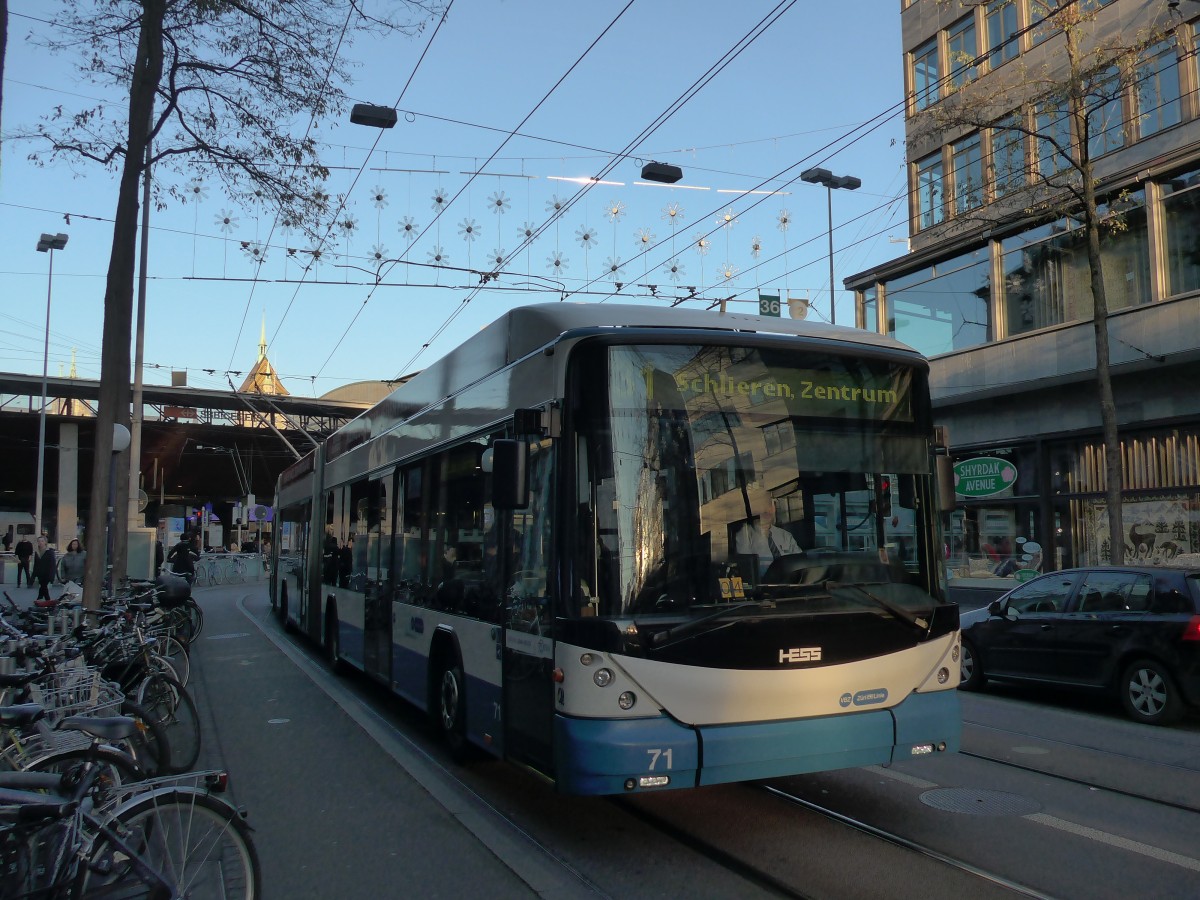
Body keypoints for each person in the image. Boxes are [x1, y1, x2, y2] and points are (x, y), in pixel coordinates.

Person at [734, 490, 801, 569]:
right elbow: (746, 571)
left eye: (770, 505)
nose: (767, 510)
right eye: (762, 505)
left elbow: (801, 563)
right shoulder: (744, 537)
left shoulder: (785, 536)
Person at [31, 536, 56, 602]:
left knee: (43, 586)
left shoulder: (50, 552)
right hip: (40, 574)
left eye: (42, 541)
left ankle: (43, 599)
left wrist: (52, 576)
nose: (40, 543)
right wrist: (33, 575)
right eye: (39, 541)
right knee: (43, 587)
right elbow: (36, 564)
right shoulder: (37, 552)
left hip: (47, 573)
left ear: (45, 542)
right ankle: (42, 599)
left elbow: (52, 565)